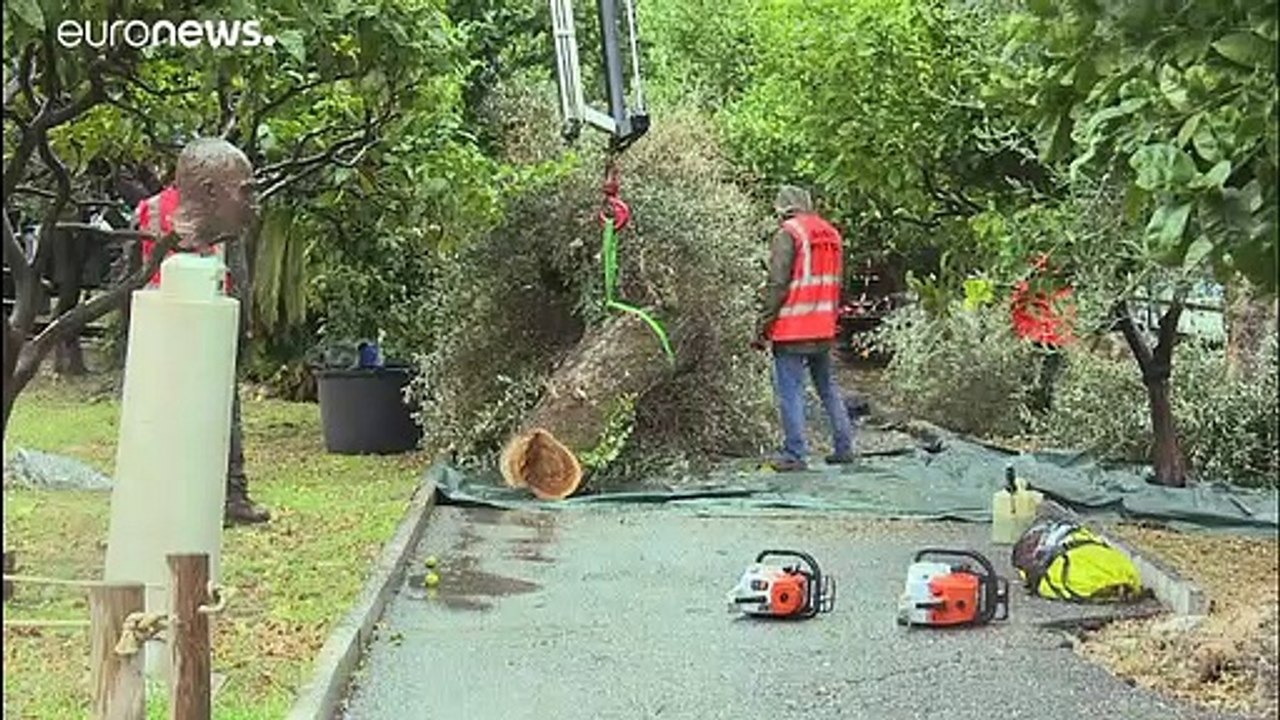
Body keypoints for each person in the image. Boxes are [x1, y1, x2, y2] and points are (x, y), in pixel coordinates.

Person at [135, 137, 271, 525]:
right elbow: (139, 275)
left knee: (224, 411)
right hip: (169, 326)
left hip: (209, 321)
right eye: (244, 191)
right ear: (209, 190)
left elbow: (235, 276)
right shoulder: (157, 212)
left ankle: (232, 493)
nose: (250, 205)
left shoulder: (224, 223)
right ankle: (178, 495)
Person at [752, 185, 855, 472]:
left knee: (790, 392)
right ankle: (844, 447)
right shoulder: (831, 233)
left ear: (784, 207)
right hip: (823, 326)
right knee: (828, 388)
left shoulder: (789, 233)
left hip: (792, 328)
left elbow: (777, 283)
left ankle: (795, 453)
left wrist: (762, 327)